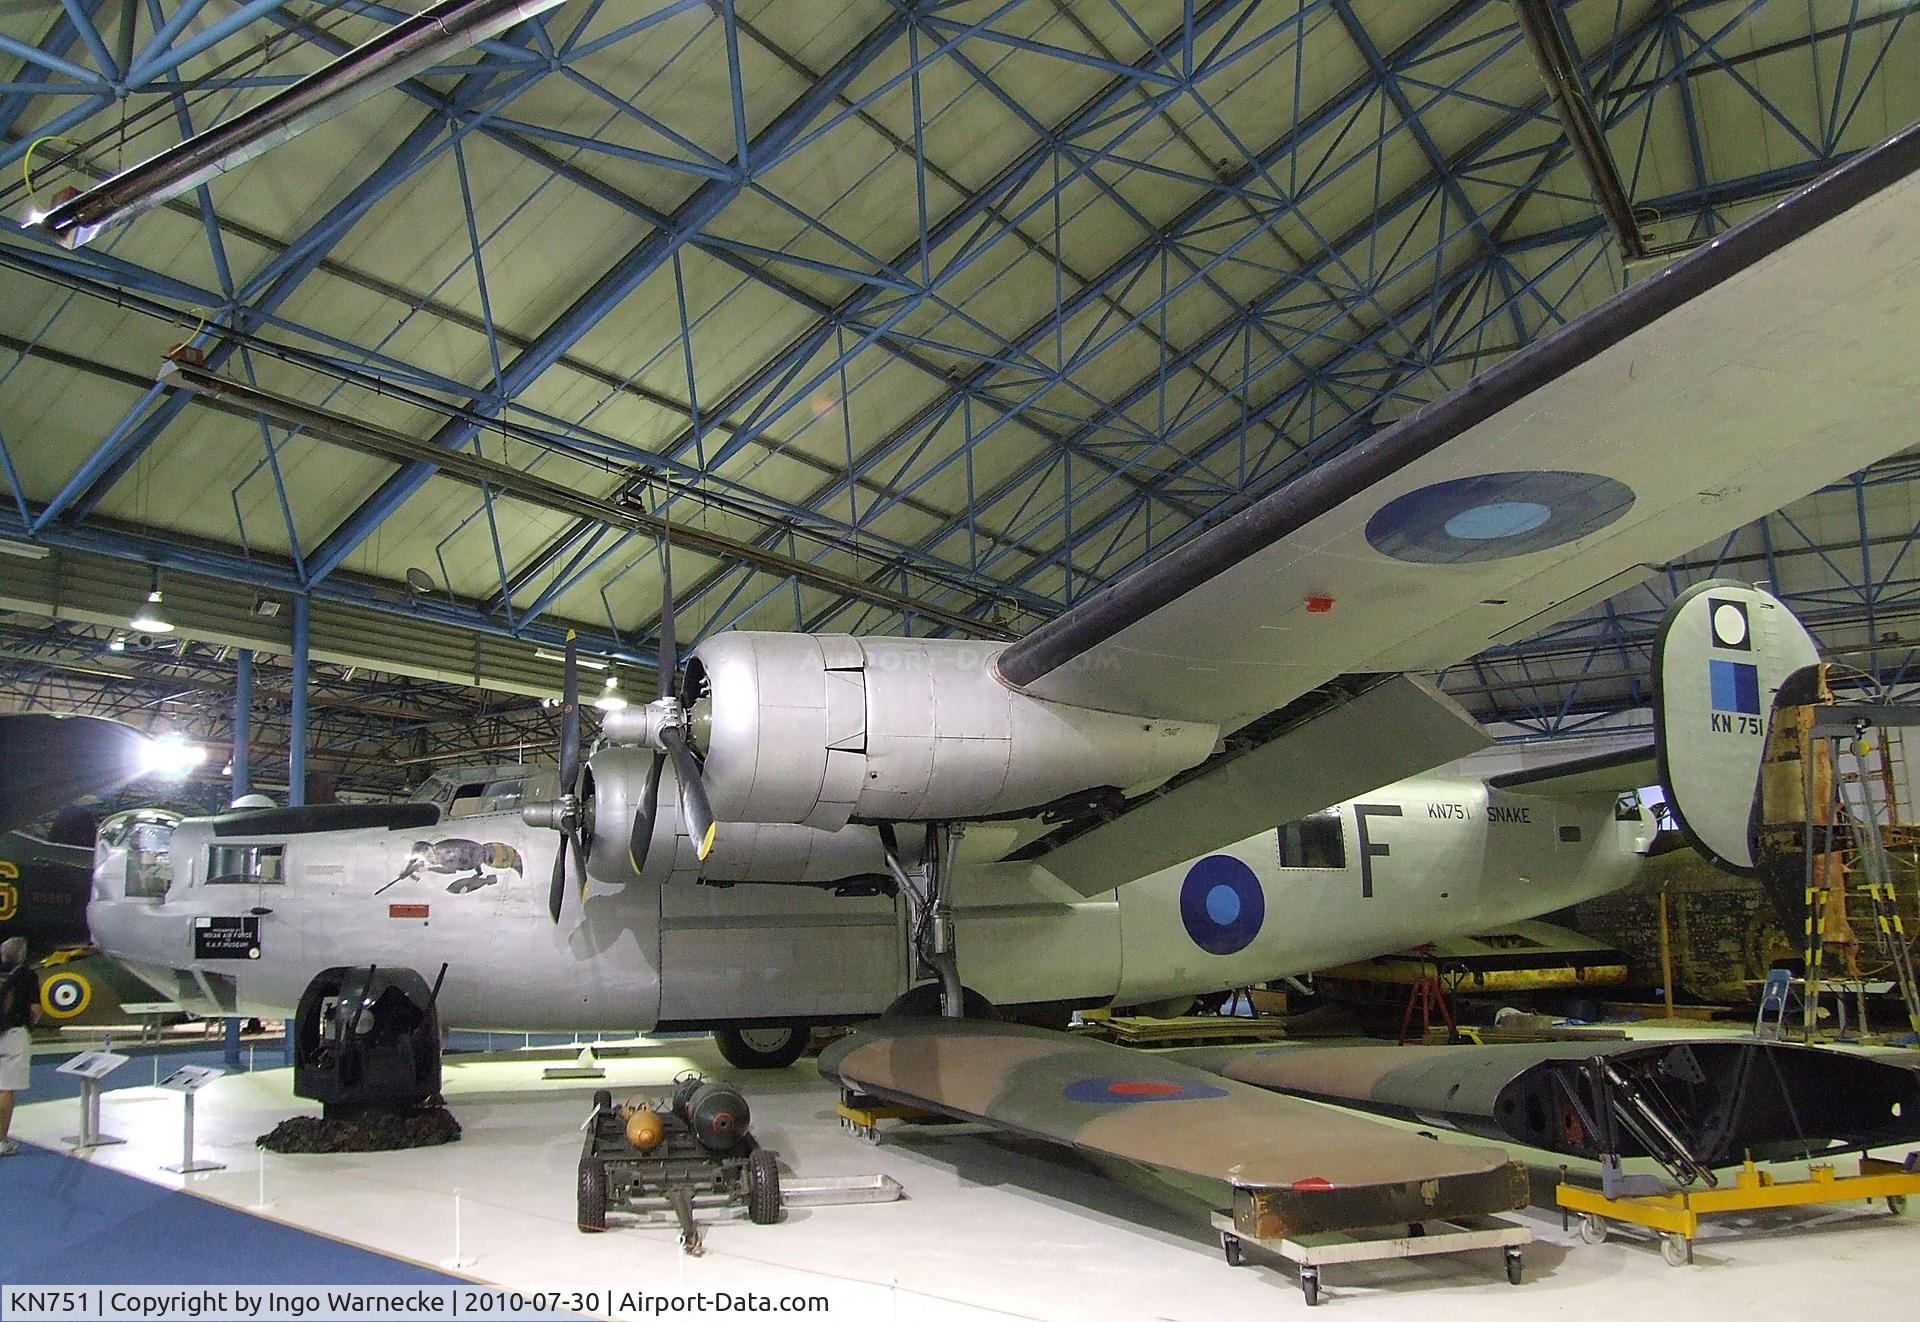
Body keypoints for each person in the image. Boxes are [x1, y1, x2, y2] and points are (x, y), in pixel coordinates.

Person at [0, 935, 39, 1157]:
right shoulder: (26, 976)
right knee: (6, 1089)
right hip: (13, 1033)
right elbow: (34, 1010)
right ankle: (1, 1141)